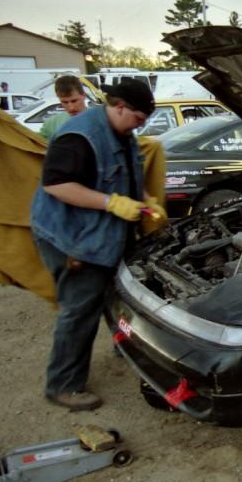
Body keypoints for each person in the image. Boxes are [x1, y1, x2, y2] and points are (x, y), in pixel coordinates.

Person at [30, 80, 167, 411]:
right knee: (80, 309)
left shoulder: (122, 132)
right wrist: (112, 203)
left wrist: (148, 202)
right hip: (74, 240)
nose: (141, 124)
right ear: (119, 107)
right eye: (138, 117)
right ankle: (63, 385)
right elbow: (57, 185)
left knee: (119, 295)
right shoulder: (79, 137)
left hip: (104, 234)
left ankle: (126, 348)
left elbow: (129, 177)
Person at [39, 75, 88, 140]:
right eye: (65, 102)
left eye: (74, 101)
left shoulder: (99, 119)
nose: (71, 108)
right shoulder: (51, 124)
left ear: (84, 96)